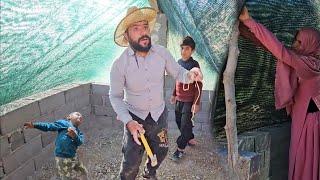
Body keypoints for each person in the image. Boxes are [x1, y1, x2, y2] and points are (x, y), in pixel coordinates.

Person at [110, 6, 203, 180]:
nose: (143, 32)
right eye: (136, 29)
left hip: (159, 115)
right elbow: (114, 96)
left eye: (145, 27)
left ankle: (149, 172)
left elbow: (179, 73)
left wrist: (192, 74)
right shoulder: (120, 64)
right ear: (126, 35)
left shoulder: (161, 53)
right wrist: (128, 121)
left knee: (161, 151)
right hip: (134, 119)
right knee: (130, 162)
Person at [239, 7, 320, 180]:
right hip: (306, 119)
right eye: (296, 41)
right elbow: (277, 51)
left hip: (310, 123)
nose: (295, 45)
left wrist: (249, 21)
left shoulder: (310, 65)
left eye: (299, 42)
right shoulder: (308, 61)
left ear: (311, 44)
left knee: (303, 158)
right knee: (302, 158)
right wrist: (249, 33)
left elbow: (281, 52)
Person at [24, 112, 88, 180]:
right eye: (77, 114)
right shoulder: (64, 123)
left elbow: (80, 142)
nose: (80, 117)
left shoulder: (79, 133)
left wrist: (74, 136)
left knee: (83, 172)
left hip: (74, 157)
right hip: (62, 158)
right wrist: (35, 125)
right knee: (66, 177)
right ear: (69, 117)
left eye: (81, 117)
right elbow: (49, 126)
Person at [170, 36, 203, 161]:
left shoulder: (194, 65)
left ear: (192, 51)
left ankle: (180, 149)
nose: (183, 51)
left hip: (189, 101)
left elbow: (199, 84)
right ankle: (189, 137)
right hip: (179, 99)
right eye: (182, 48)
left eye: (187, 49)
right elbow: (177, 80)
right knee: (179, 122)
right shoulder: (178, 63)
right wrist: (174, 94)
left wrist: (196, 103)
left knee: (184, 125)